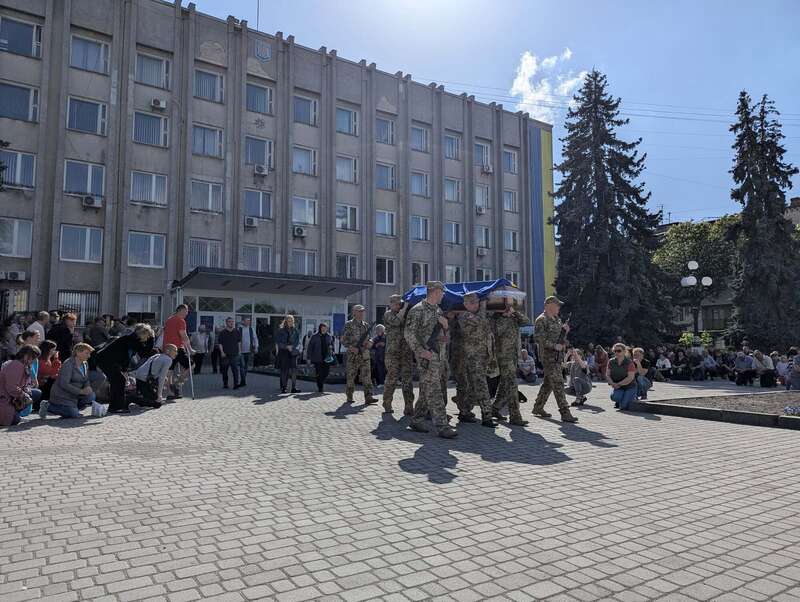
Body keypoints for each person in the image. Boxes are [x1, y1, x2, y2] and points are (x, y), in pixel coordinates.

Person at [404, 281, 457, 439]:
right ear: (434, 292)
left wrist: (446, 327)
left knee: (427, 388)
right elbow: (409, 333)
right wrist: (420, 351)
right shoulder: (417, 310)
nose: (443, 295)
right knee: (434, 390)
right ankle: (442, 426)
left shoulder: (438, 310)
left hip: (438, 356)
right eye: (441, 292)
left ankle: (417, 419)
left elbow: (443, 338)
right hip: (426, 357)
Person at [531, 296, 578, 423]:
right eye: (557, 305)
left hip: (558, 356)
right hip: (548, 357)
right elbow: (538, 338)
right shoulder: (541, 320)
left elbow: (559, 338)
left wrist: (565, 333)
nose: (559, 307)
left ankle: (538, 407)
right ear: (549, 305)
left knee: (548, 384)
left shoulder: (557, 320)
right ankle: (565, 412)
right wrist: (554, 345)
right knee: (558, 383)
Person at [92, 324, 154, 413]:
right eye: (147, 336)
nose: (147, 338)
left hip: (108, 360)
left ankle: (114, 407)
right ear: (142, 333)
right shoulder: (131, 339)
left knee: (118, 381)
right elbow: (144, 352)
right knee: (119, 381)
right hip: (105, 360)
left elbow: (127, 356)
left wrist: (124, 370)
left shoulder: (133, 339)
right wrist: (152, 339)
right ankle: (116, 407)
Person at [457, 293, 496, 427]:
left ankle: (464, 412)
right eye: (472, 302)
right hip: (473, 357)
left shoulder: (479, 314)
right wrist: (484, 308)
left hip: (483, 356)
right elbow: (481, 322)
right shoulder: (464, 316)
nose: (476, 304)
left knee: (474, 388)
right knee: (482, 385)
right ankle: (487, 416)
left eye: (477, 302)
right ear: (465, 304)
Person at [40, 342, 94, 419]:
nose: (89, 356)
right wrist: (81, 391)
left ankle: (73, 408)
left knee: (91, 396)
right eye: (87, 353)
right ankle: (48, 406)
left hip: (75, 395)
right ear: (78, 353)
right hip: (62, 395)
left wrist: (87, 386)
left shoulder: (85, 364)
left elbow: (85, 379)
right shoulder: (68, 364)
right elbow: (64, 384)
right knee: (73, 414)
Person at [382, 295, 414, 415]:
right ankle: (387, 402)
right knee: (392, 379)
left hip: (406, 352)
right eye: (396, 303)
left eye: (400, 303)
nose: (399, 305)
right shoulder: (388, 314)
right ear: (391, 304)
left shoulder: (405, 314)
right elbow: (396, 321)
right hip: (392, 353)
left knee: (407, 380)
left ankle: (409, 405)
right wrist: (404, 309)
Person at [341, 305, 376, 404]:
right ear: (354, 313)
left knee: (367, 376)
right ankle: (349, 396)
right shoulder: (349, 324)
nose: (361, 313)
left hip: (364, 354)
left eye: (362, 312)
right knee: (351, 376)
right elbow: (343, 339)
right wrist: (351, 348)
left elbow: (370, 337)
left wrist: (370, 342)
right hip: (353, 355)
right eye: (359, 311)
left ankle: (368, 396)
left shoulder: (366, 325)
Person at [0, 345, 42, 426]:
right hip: (4, 398)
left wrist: (26, 391)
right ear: (26, 356)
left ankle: (14, 412)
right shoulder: (16, 365)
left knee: (36, 393)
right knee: (15, 420)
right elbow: (11, 387)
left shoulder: (23, 365)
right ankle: (12, 413)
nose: (34, 360)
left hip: (11, 397)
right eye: (33, 357)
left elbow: (23, 385)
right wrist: (25, 395)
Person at [162, 305, 194, 398]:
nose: (186, 314)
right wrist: (190, 349)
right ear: (180, 310)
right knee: (191, 365)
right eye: (186, 311)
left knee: (169, 370)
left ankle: (170, 393)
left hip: (167, 348)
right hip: (177, 348)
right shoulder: (180, 321)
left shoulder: (169, 320)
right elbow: (184, 336)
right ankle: (177, 383)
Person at [606, 344, 637, 410]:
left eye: (619, 351)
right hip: (618, 387)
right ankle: (622, 399)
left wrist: (618, 384)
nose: (616, 353)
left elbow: (630, 378)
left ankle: (633, 396)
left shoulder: (629, 363)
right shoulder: (611, 361)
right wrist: (612, 383)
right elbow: (607, 375)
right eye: (615, 351)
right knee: (614, 397)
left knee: (624, 407)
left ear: (624, 351)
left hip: (630, 387)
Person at [306, 323, 335, 393]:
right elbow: (310, 348)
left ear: (327, 329)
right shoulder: (314, 336)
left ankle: (320, 382)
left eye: (325, 328)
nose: (324, 329)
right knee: (319, 373)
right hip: (317, 358)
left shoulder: (329, 336)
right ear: (320, 328)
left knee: (326, 373)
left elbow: (332, 345)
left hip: (327, 358)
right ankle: (320, 387)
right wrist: (308, 358)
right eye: (322, 328)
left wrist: (332, 349)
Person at [275, 315, 300, 393]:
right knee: (284, 370)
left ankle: (293, 388)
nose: (290, 322)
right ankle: (284, 387)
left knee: (294, 370)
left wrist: (292, 346)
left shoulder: (296, 330)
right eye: (288, 321)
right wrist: (286, 346)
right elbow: (278, 342)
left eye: (291, 321)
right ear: (285, 321)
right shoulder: (281, 330)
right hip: (284, 352)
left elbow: (297, 340)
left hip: (293, 352)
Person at [217, 317, 243, 390]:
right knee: (224, 371)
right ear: (226, 323)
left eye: (232, 322)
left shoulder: (237, 332)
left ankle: (236, 385)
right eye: (229, 322)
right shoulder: (222, 333)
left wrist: (240, 351)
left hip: (234, 354)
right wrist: (222, 352)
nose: (231, 323)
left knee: (235, 370)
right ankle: (225, 384)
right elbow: (220, 343)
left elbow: (239, 342)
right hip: (225, 355)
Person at [36, 340, 61, 406]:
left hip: (45, 384)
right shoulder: (41, 361)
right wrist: (56, 360)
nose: (54, 352)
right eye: (53, 350)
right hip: (42, 385)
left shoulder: (48, 360)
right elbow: (52, 374)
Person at [239, 317, 259, 386]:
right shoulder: (239, 329)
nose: (248, 322)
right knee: (242, 366)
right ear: (243, 321)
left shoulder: (251, 329)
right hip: (240, 351)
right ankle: (243, 381)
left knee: (246, 366)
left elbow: (255, 339)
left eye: (249, 321)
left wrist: (256, 347)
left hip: (249, 351)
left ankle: (243, 380)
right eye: (246, 321)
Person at [370, 324, 387, 390]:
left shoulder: (386, 336)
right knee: (380, 371)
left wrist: (382, 344)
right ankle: (381, 383)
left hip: (386, 356)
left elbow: (388, 345)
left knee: (387, 370)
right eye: (377, 330)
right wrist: (375, 345)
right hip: (378, 357)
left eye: (379, 330)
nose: (377, 332)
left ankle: (387, 383)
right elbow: (371, 346)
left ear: (382, 330)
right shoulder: (376, 338)